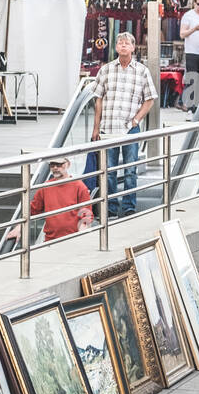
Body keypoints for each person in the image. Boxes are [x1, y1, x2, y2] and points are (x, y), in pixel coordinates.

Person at [91, 31, 157, 217]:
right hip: (108, 127)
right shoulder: (106, 70)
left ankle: (129, 206)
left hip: (130, 128)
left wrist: (136, 120)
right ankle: (111, 207)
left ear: (133, 47)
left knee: (130, 170)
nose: (122, 45)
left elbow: (150, 99)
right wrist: (96, 128)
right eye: (119, 43)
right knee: (109, 171)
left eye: (126, 43)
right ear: (116, 47)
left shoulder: (142, 71)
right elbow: (98, 100)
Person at [24, 156, 94, 242]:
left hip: (73, 239)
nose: (55, 168)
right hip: (50, 240)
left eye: (59, 165)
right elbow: (33, 210)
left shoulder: (79, 186)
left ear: (68, 164)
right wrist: (19, 228)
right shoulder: (45, 187)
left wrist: (81, 234)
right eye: (52, 165)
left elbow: (86, 214)